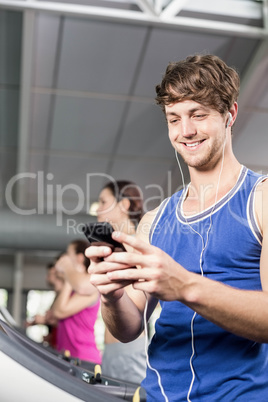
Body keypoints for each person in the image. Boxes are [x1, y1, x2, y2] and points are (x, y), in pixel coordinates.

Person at [86, 54, 268, 401]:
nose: (185, 131)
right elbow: (128, 328)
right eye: (174, 118)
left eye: (198, 115)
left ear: (230, 114)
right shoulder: (155, 220)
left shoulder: (261, 199)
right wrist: (111, 295)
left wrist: (183, 285)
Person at [61, 180, 147, 384]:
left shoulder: (140, 243)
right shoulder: (116, 247)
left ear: (124, 205)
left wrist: (66, 269)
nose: (97, 208)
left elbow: (85, 285)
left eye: (103, 201)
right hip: (110, 349)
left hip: (130, 350)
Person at [52, 239, 102, 365]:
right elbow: (54, 313)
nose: (65, 258)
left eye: (68, 254)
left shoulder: (88, 286)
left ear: (80, 258)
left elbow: (59, 311)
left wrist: (69, 275)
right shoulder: (73, 289)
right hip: (68, 355)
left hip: (84, 357)